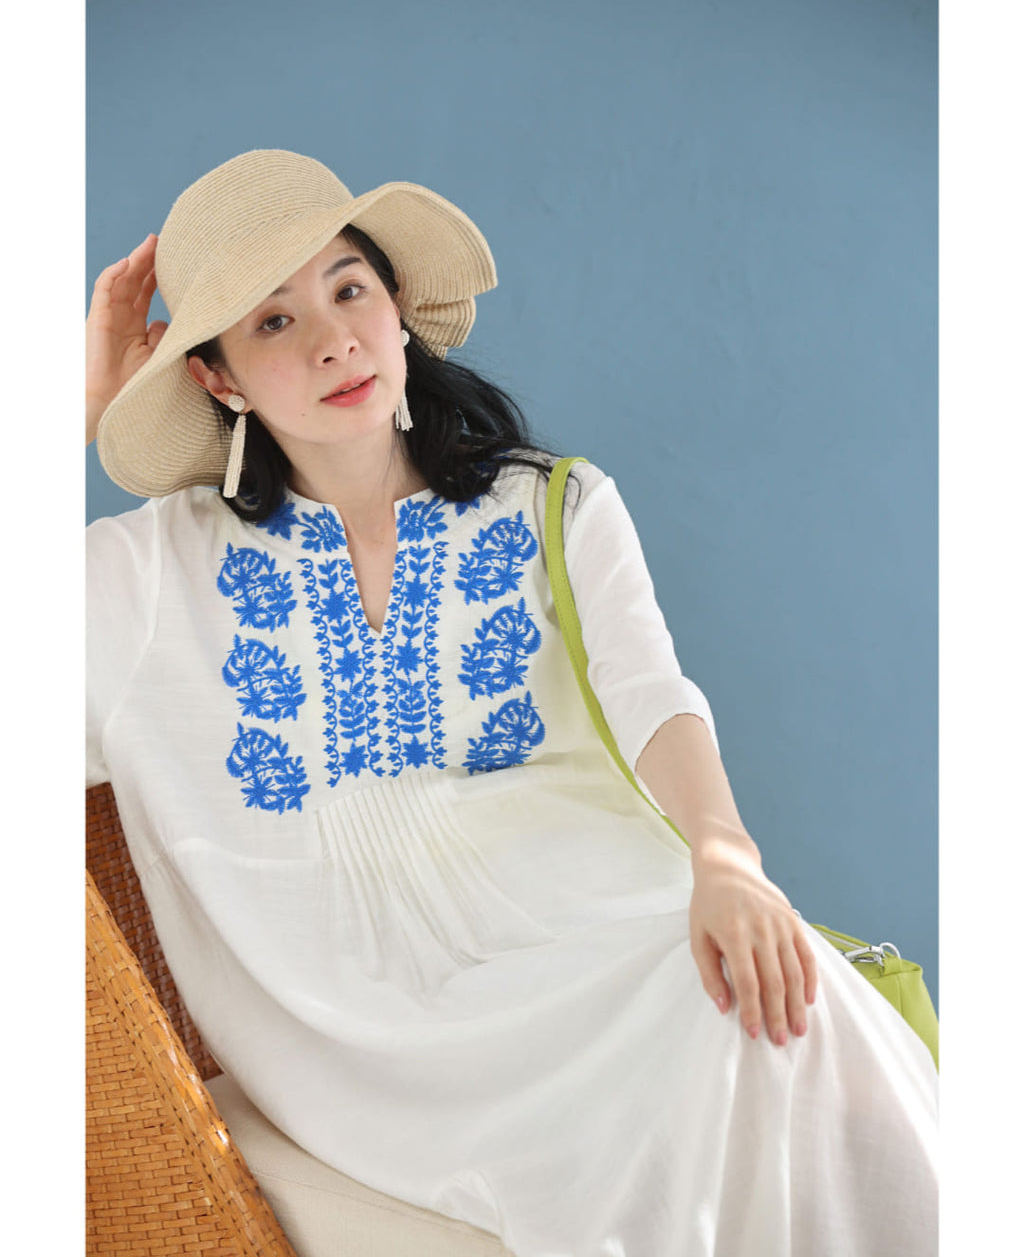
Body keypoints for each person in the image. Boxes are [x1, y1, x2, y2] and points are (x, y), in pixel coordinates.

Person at [86, 149, 938, 1257]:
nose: (334, 340)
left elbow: (651, 691)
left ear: (398, 308)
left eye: (350, 288)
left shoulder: (554, 503)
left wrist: (727, 858)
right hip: (359, 1030)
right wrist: (75, 410)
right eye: (273, 322)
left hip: (591, 931)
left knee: (774, 1012)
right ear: (218, 379)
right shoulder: (145, 577)